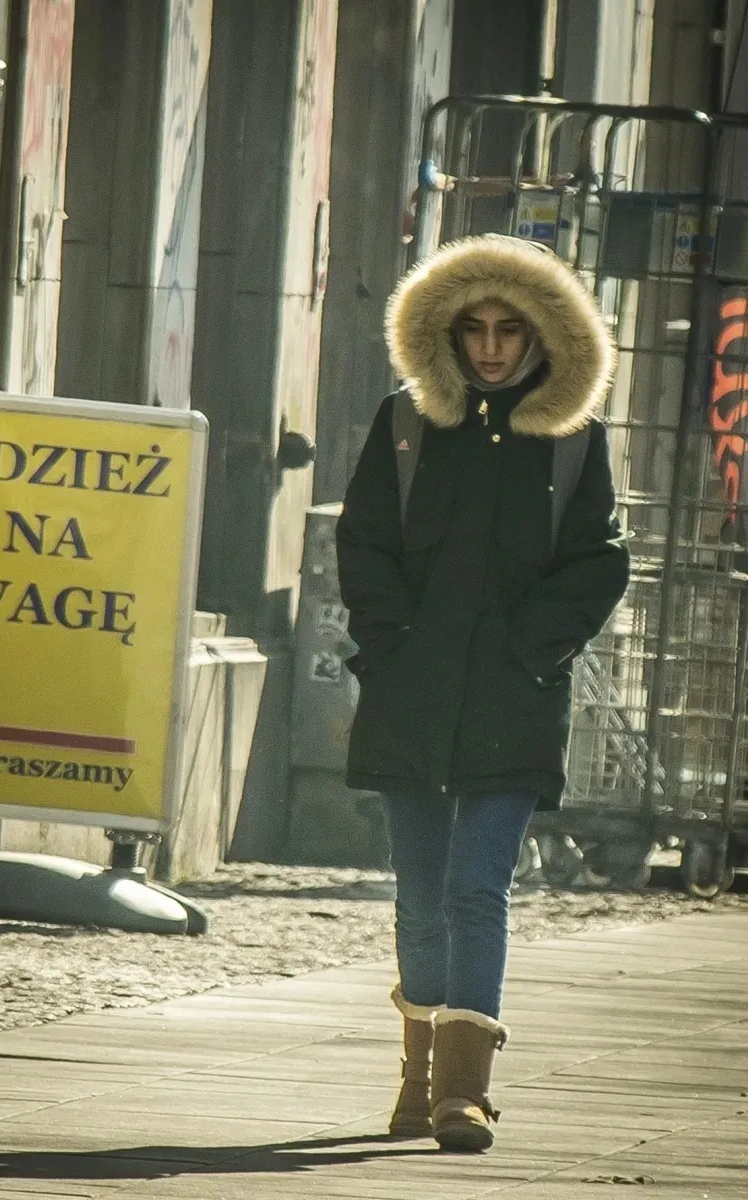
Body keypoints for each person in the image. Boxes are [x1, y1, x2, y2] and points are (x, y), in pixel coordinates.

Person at [336, 234, 630, 1153]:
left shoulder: (574, 443)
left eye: (511, 328)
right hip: (410, 694)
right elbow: (363, 544)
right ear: (448, 335)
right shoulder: (405, 424)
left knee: (475, 890)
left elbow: (599, 563)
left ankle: (465, 1094)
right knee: (419, 896)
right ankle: (417, 1080)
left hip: (514, 697)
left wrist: (528, 650)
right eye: (476, 329)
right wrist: (388, 645)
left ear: (545, 336)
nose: (493, 346)